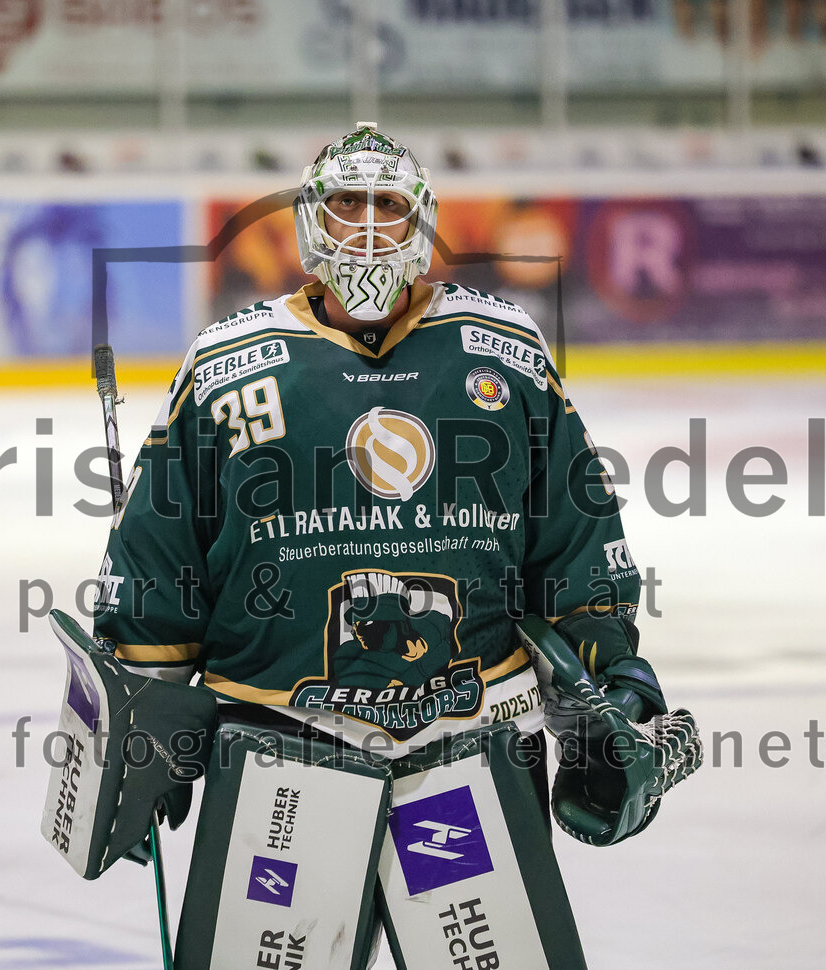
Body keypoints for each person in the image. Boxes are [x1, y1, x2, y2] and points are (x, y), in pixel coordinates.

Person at [90, 124, 685, 967]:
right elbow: (160, 563)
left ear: (423, 222)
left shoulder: (505, 356)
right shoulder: (226, 365)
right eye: (346, 205)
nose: (366, 229)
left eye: (388, 207)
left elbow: (576, 547)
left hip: (468, 742)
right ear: (308, 220)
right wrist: (143, 727)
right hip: (278, 745)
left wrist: (615, 691)